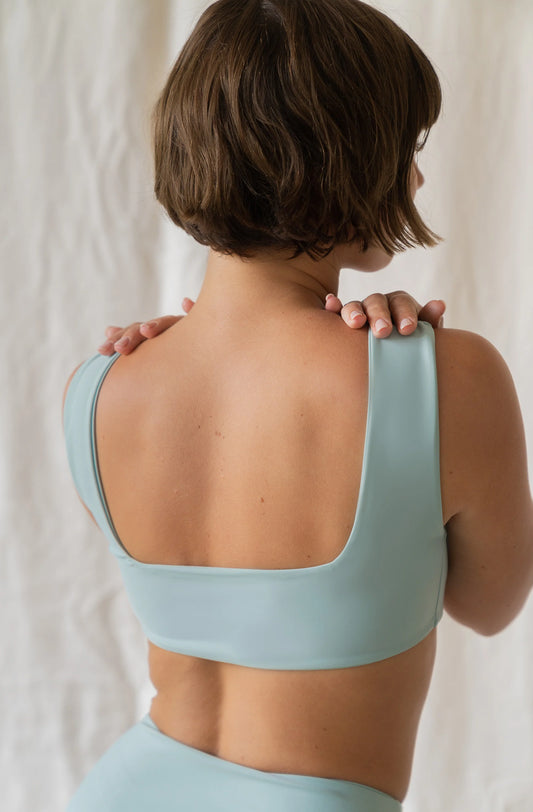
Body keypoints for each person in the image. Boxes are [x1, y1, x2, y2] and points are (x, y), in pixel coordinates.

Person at [62, 1, 533, 809]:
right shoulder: (446, 379)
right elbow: (487, 606)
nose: (416, 179)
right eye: (407, 148)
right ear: (342, 156)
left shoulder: (98, 386)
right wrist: (421, 380)